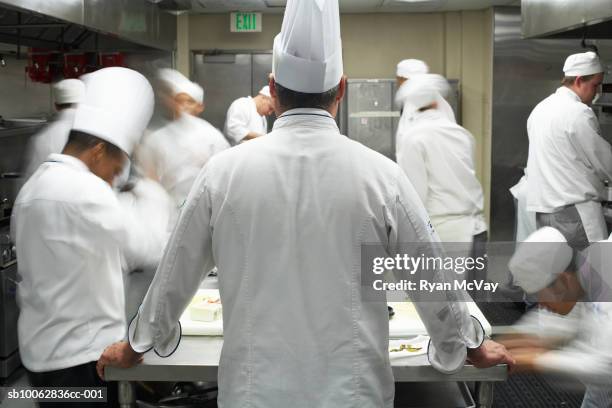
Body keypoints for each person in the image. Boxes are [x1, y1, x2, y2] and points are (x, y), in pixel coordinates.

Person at [98, 1, 513, 407]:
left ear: (273, 89)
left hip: (253, 393)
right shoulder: (382, 176)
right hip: (354, 394)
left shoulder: (221, 173)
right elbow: (430, 275)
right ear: (343, 90)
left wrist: (136, 347)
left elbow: (174, 274)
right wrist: (470, 345)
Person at [10, 67, 155, 407]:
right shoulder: (87, 190)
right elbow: (148, 247)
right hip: (81, 357)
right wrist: (152, 190)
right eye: (117, 169)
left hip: (40, 354)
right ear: (99, 151)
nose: (114, 179)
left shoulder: (32, 189)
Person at [507, 227, 612, 408]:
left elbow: (607, 366)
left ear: (563, 280)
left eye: (540, 295)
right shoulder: (584, 270)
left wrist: (537, 359)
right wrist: (511, 340)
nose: (541, 305)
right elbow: (562, 319)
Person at [525, 51, 611, 250]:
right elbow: (604, 161)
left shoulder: (540, 109)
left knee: (562, 275)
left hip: (545, 214)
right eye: (595, 85)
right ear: (580, 80)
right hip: (576, 214)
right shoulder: (578, 113)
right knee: (594, 275)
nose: (596, 93)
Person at [395, 76, 487, 254]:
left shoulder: (413, 138)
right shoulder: (463, 134)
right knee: (474, 283)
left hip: (444, 235)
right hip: (477, 231)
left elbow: (415, 197)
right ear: (437, 102)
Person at [137, 68, 229, 226]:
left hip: (204, 214)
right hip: (168, 216)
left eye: (189, 101)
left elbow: (225, 179)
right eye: (179, 100)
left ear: (200, 107)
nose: (183, 106)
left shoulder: (212, 137)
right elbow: (150, 182)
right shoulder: (157, 139)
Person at [24, 78, 85, 179]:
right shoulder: (95, 130)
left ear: (56, 106)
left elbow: (31, 179)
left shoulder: (42, 138)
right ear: (84, 104)